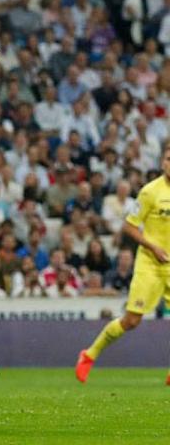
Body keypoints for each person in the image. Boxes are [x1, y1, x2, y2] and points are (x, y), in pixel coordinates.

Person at [76, 147, 170, 385]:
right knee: (131, 321)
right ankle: (89, 355)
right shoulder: (150, 192)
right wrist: (153, 247)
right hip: (150, 263)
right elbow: (129, 227)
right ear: (162, 162)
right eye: (169, 159)